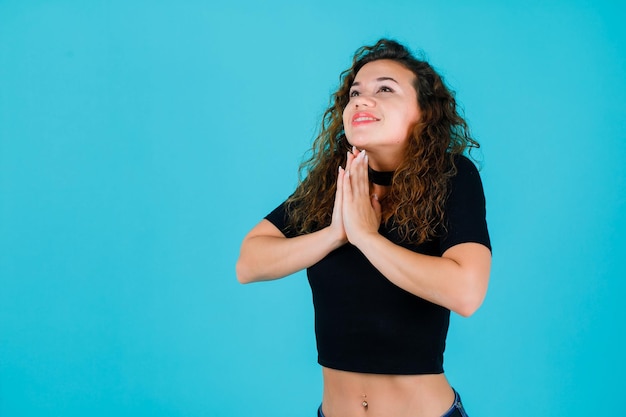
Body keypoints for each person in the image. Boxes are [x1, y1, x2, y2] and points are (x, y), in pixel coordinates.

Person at [236, 38, 491, 417]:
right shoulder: (334, 183)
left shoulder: (452, 177)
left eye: (384, 89)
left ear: (424, 112)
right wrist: (335, 233)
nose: (361, 100)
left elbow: (466, 292)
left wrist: (366, 238)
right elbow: (248, 263)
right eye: (355, 93)